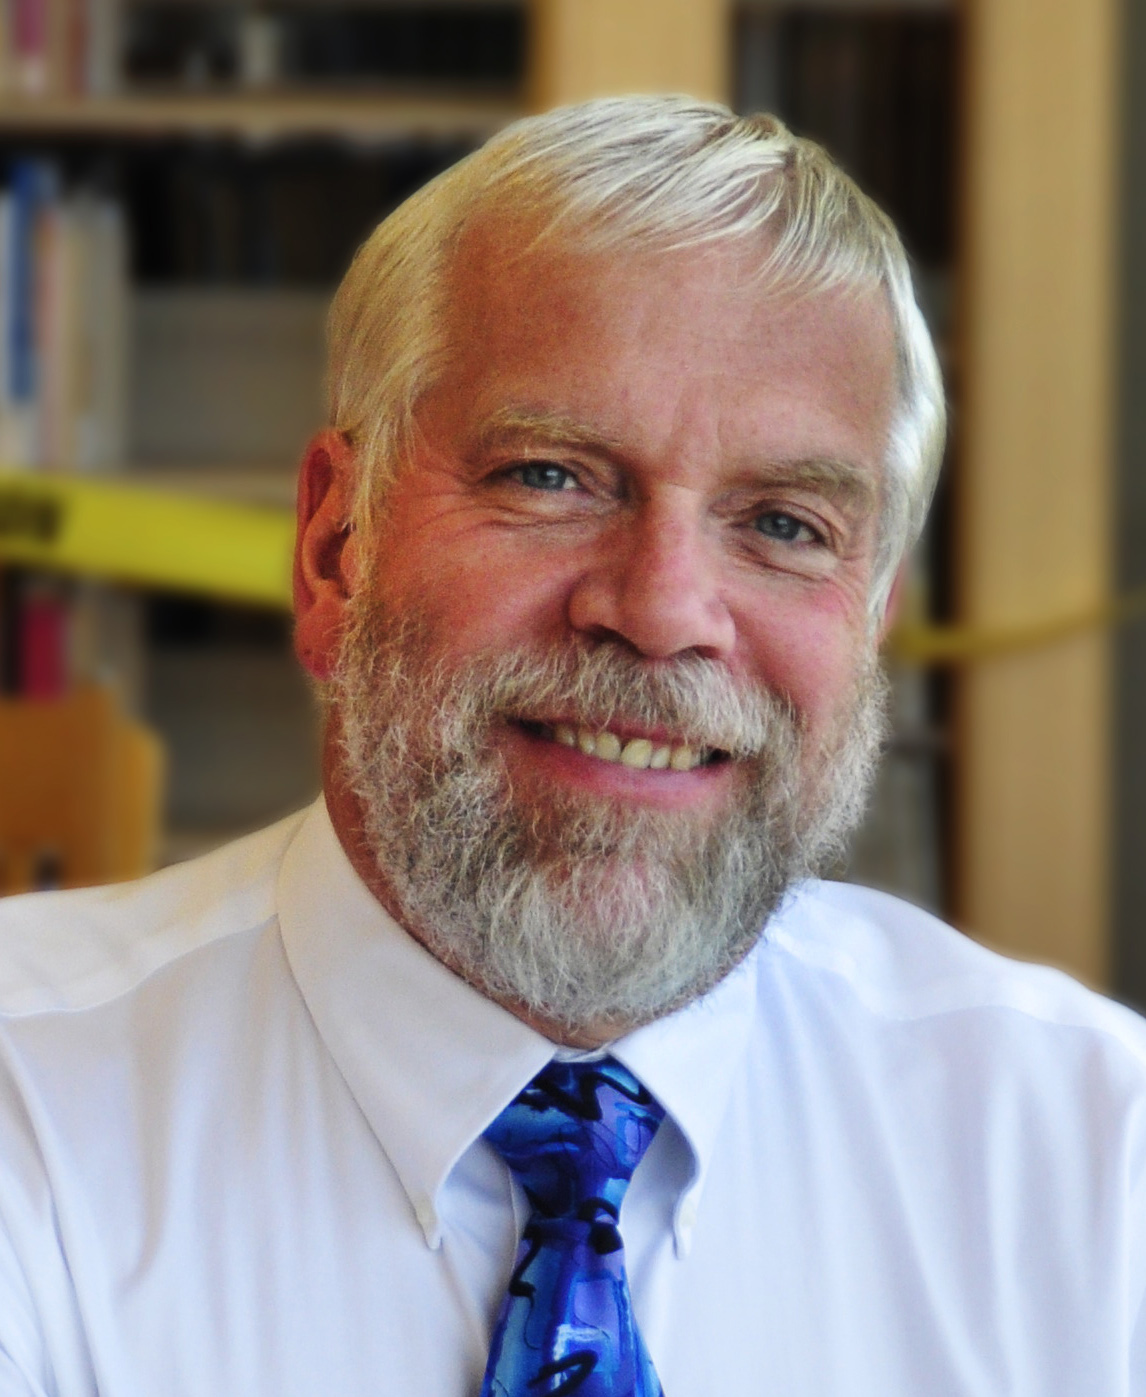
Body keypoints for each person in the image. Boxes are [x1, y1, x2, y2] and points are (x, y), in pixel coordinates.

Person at [0, 95, 1143, 1396]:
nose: (659, 613)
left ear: (870, 623)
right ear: (334, 553)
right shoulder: (25, 1107)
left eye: (781, 523)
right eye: (549, 475)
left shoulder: (1095, 1158)